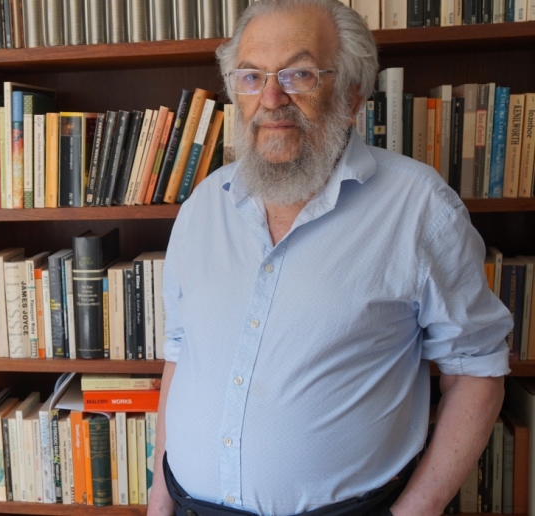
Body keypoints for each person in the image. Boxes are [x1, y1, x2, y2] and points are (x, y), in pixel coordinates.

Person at [147, 1, 513, 515]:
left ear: (353, 93)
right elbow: (183, 354)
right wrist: (159, 498)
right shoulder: (204, 205)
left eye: (300, 73)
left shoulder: (420, 207)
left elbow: (477, 370)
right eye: (251, 76)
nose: (272, 98)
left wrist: (418, 509)